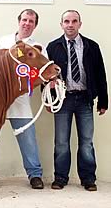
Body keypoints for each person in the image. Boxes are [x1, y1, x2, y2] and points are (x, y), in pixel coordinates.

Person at [45, 10, 108, 191]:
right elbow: (46, 75)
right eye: (66, 21)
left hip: (85, 100)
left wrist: (103, 101)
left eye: (74, 21)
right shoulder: (53, 47)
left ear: (80, 24)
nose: (70, 24)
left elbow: (100, 74)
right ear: (61, 24)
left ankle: (88, 179)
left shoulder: (91, 46)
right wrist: (49, 99)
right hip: (62, 100)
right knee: (61, 142)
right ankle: (60, 178)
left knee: (86, 142)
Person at [0, 9, 44, 189]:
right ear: (19, 21)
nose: (27, 23)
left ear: (35, 26)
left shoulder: (38, 46)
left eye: (31, 21)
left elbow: (41, 71)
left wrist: (50, 82)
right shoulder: (3, 41)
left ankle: (35, 175)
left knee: (28, 138)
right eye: (25, 19)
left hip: (21, 101)